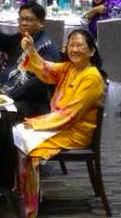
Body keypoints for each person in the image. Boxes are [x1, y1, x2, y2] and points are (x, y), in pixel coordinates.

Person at [14, 29, 106, 218]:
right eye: (71, 45)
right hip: (61, 124)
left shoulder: (92, 77)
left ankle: (28, 208)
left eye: (80, 46)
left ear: (91, 51)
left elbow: (71, 114)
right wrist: (31, 50)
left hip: (76, 130)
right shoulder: (69, 68)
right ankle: (23, 195)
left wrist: (36, 124)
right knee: (17, 136)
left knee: (28, 150)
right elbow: (46, 69)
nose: (74, 49)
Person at [0, 0, 59, 117]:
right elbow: (1, 42)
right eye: (21, 19)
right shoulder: (20, 38)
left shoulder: (48, 46)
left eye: (28, 19)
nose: (23, 23)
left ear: (41, 22)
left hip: (30, 103)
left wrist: (9, 95)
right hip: (7, 95)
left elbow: (41, 82)